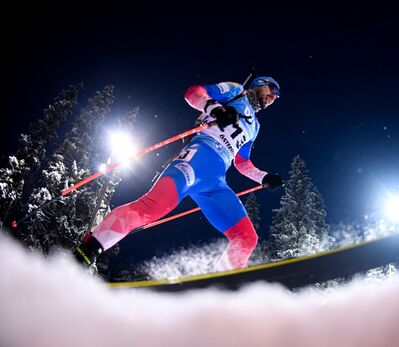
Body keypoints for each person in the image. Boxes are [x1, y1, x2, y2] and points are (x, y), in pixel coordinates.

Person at [73, 76, 283, 271]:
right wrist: (216, 109)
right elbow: (193, 92)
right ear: (259, 83)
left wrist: (264, 177)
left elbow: (242, 162)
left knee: (246, 237)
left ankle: (220, 285)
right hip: (195, 160)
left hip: (216, 182)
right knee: (149, 208)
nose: (273, 96)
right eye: (272, 88)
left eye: (277, 96)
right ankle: (88, 249)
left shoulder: (255, 126)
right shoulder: (236, 91)